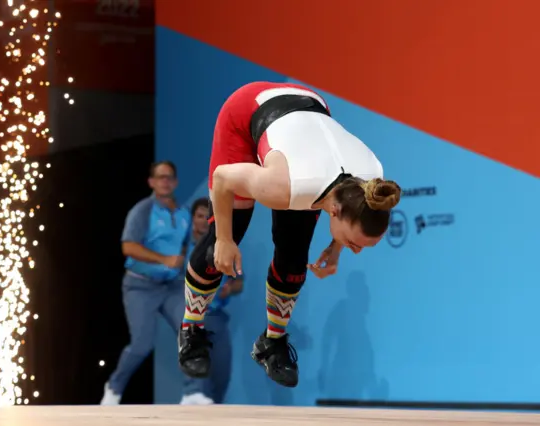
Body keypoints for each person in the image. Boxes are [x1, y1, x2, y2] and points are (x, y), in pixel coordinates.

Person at [177, 81, 402, 388]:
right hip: (247, 111)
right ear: (334, 212)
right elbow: (223, 179)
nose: (356, 251)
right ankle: (191, 329)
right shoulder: (286, 186)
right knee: (220, 244)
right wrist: (225, 240)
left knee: (294, 255)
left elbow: (352, 208)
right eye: (353, 244)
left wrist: (337, 246)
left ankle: (272, 342)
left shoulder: (370, 183)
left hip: (311, 108)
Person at [101, 161, 212, 405]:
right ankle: (114, 387)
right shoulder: (143, 210)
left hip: (171, 286)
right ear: (151, 182)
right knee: (141, 345)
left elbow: (183, 244)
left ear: (175, 182)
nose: (165, 181)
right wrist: (163, 259)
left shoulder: (183, 213)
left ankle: (192, 392)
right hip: (141, 286)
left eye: (169, 177)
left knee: (190, 332)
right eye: (160, 177)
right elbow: (128, 247)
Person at [181, 197, 243, 403]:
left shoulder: (225, 245)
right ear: (192, 220)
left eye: (206, 215)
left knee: (222, 375)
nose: (202, 220)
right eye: (198, 216)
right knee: (199, 373)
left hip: (217, 317)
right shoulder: (182, 247)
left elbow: (238, 282)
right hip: (193, 317)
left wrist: (228, 288)